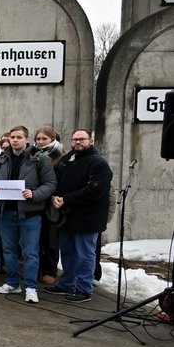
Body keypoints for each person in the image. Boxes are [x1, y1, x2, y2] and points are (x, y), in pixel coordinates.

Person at [0, 126, 56, 304]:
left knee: (30, 252)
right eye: (12, 137)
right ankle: (12, 283)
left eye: (19, 137)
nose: (15, 140)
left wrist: (34, 194)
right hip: (6, 212)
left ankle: (31, 287)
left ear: (27, 139)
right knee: (9, 250)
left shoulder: (40, 158)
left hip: (30, 213)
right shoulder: (2, 158)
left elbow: (50, 184)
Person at [46, 129, 113, 303]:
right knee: (67, 252)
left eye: (82, 139)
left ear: (91, 141)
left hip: (88, 218)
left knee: (85, 255)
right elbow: (57, 182)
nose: (78, 142)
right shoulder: (67, 160)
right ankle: (67, 284)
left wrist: (66, 199)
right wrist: (54, 197)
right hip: (67, 216)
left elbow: (94, 190)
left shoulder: (99, 163)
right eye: (75, 139)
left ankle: (84, 289)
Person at [33, 126, 64, 285]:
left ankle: (50, 270)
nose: (40, 142)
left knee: (51, 239)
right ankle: (36, 270)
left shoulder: (61, 156)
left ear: (53, 139)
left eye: (44, 139)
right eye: (38, 139)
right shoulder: (33, 155)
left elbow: (62, 180)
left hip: (52, 203)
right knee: (36, 240)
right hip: (35, 201)